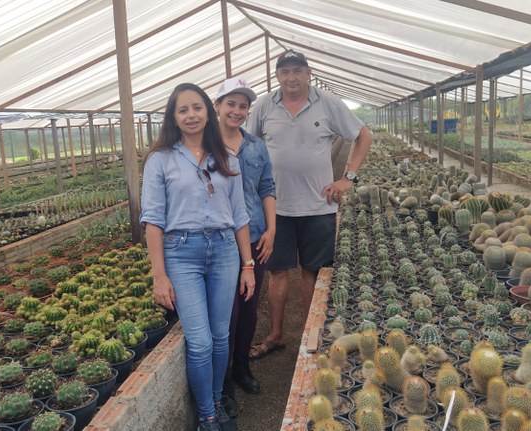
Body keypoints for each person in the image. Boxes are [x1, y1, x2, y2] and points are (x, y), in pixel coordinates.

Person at [140, 82, 256, 431]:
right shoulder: (160, 160)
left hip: (224, 251)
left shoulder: (227, 158)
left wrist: (247, 265)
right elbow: (153, 220)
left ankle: (218, 402)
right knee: (200, 340)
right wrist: (159, 276)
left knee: (221, 336)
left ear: (208, 111)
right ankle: (207, 415)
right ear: (173, 118)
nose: (191, 115)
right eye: (182, 110)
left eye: (196, 108)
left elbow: (240, 216)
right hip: (182, 253)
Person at [245, 50, 372, 359]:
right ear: (277, 76)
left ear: (308, 73)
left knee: (311, 272)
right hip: (276, 209)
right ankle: (275, 335)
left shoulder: (327, 102)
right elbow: (244, 142)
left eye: (297, 71)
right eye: (285, 71)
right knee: (277, 272)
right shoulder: (264, 104)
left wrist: (348, 178)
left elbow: (363, 135)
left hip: (319, 206)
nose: (291, 77)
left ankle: (309, 332)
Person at [213, 77, 276, 397]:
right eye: (231, 104)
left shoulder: (256, 146)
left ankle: (241, 366)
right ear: (217, 107)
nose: (237, 111)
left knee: (249, 306)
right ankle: (223, 381)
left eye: (243, 106)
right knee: (228, 311)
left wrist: (271, 229)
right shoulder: (204, 146)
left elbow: (267, 188)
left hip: (254, 236)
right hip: (219, 241)